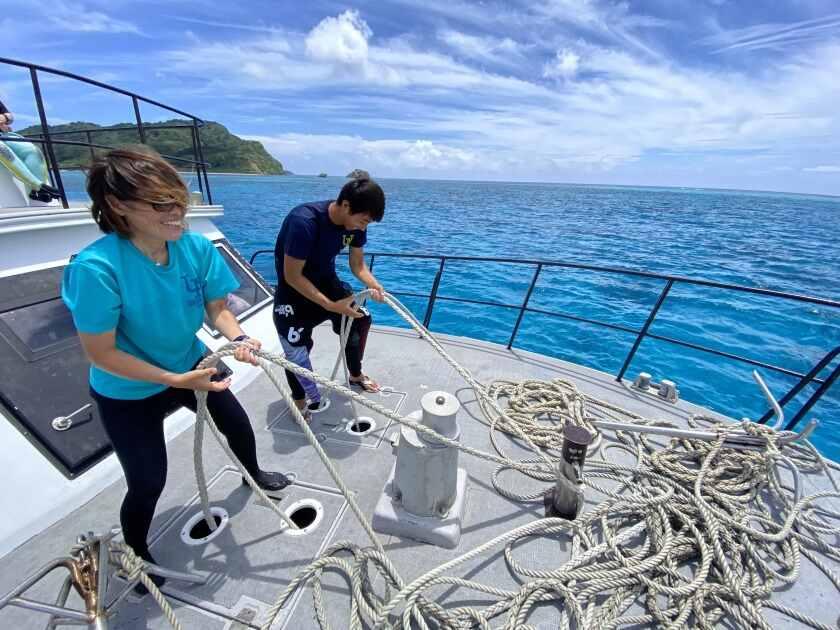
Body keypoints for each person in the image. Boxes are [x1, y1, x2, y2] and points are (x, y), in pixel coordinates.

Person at [61, 147, 287, 593]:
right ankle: (138, 553)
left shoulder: (196, 248)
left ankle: (253, 472)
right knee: (148, 481)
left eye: (179, 200)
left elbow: (217, 310)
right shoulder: (95, 268)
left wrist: (238, 338)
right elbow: (101, 353)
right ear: (118, 206)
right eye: (161, 204)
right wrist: (174, 381)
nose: (177, 213)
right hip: (126, 388)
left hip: (190, 361)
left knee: (238, 425)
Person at [273, 178, 386, 420]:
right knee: (296, 350)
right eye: (363, 220)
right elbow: (292, 275)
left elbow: (357, 264)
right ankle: (300, 401)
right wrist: (330, 305)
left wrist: (374, 285)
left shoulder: (355, 227)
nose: (363, 228)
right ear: (346, 205)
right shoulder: (303, 222)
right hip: (294, 292)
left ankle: (355, 374)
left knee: (359, 320)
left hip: (328, 283)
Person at [0, 99, 60, 202]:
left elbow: (10, 117)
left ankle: (35, 192)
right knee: (2, 149)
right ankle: (38, 186)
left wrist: (4, 117)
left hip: (4, 136)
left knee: (32, 151)